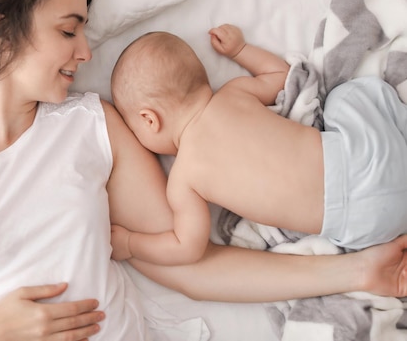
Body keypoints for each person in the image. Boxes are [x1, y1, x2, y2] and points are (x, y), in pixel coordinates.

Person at [0, 0, 407, 340]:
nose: (86, 52)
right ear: (3, 25)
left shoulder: (91, 126)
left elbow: (193, 266)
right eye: (68, 30)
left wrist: (358, 269)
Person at [109, 23, 407, 266]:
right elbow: (282, 77)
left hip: (368, 226)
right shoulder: (234, 94)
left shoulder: (184, 180)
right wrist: (240, 50)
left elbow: (187, 247)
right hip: (372, 159)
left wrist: (132, 243)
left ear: (149, 119)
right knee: (345, 96)